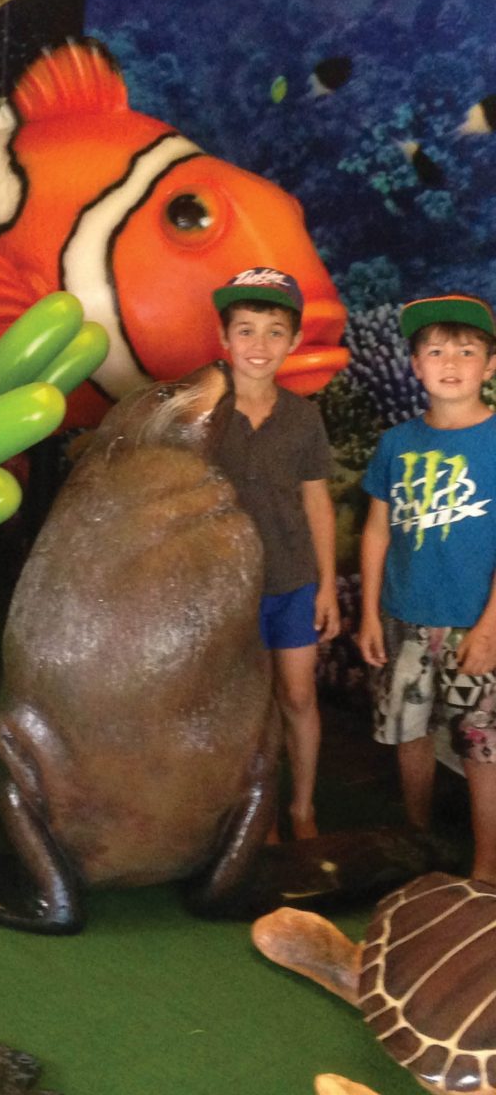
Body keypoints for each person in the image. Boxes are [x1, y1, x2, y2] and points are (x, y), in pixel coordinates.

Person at [356, 292, 496, 883]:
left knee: (480, 747)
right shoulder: (397, 443)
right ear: (414, 364)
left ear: (490, 365)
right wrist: (367, 613)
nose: (450, 362)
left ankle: (487, 865)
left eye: (467, 350)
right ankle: (418, 845)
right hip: (404, 617)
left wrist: (490, 627)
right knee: (408, 735)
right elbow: (376, 530)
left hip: (475, 623)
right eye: (435, 350)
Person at [210, 267, 341, 840]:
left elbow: (317, 503)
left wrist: (328, 585)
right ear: (224, 339)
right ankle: (252, 814)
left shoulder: (303, 417)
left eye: (273, 331)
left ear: (292, 342)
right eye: (245, 330)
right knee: (244, 704)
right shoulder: (202, 414)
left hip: (292, 581)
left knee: (296, 693)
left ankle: (302, 808)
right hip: (223, 587)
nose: (258, 345)